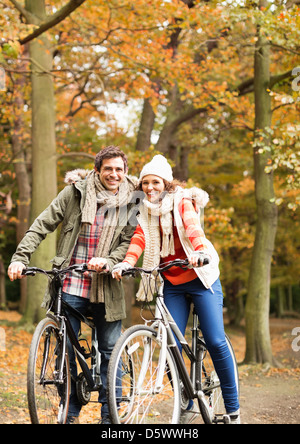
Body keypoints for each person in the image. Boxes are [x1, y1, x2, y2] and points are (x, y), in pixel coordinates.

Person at [8, 145, 138, 424]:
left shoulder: (132, 200)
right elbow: (42, 224)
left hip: (107, 285)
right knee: (65, 352)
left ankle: (109, 418)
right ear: (97, 171)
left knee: (109, 351)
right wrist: (19, 258)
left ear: (125, 171)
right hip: (70, 282)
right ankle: (70, 413)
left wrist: (108, 259)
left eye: (119, 169)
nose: (114, 174)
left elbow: (129, 241)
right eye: (108, 169)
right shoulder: (75, 193)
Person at [112, 154, 240, 424]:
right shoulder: (144, 210)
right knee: (171, 343)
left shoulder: (181, 201)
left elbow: (193, 229)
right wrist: (126, 263)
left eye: (155, 182)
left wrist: (200, 251)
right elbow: (139, 238)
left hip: (201, 278)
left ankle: (233, 409)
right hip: (171, 283)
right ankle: (187, 402)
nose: (150, 187)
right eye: (145, 182)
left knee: (216, 340)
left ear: (166, 183)